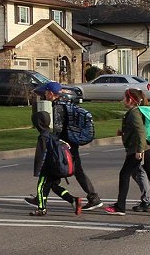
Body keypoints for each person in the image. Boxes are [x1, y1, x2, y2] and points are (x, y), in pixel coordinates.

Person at [104, 88, 150, 217]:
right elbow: (137, 131)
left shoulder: (134, 113)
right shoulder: (138, 111)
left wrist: (139, 151)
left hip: (139, 150)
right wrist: (123, 132)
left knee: (124, 174)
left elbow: (141, 132)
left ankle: (120, 207)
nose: (123, 100)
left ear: (130, 100)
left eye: (125, 98)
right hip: (147, 148)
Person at [34, 82, 103, 210]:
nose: (44, 95)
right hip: (72, 142)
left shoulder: (57, 107)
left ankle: (91, 198)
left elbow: (58, 129)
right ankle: (41, 198)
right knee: (72, 171)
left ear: (50, 93)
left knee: (56, 172)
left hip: (64, 144)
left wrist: (52, 139)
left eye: (46, 92)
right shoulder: (67, 102)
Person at [26, 111, 82, 216]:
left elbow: (41, 155)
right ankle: (73, 200)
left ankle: (41, 209)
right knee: (54, 187)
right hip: (56, 167)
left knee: (40, 187)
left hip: (48, 168)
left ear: (38, 124)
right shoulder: (52, 135)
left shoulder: (43, 137)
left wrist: (38, 170)